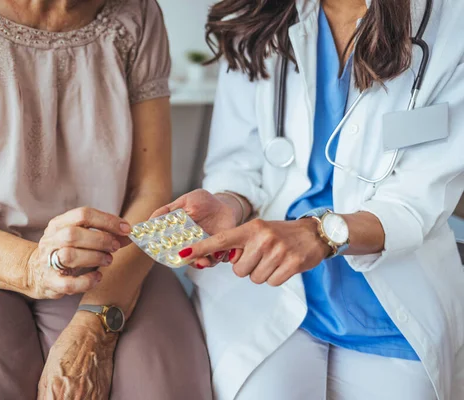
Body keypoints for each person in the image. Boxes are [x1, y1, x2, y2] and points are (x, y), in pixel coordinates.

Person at [0, 0, 212, 399]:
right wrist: (33, 267)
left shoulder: (138, 14)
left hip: (108, 261)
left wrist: (95, 323)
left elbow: (149, 191)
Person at [153, 0, 464, 398]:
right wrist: (228, 203)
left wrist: (320, 233)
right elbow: (242, 163)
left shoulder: (449, 22)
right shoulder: (255, 16)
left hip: (391, 297)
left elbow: (416, 200)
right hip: (268, 284)